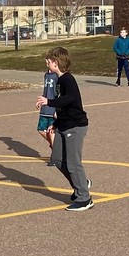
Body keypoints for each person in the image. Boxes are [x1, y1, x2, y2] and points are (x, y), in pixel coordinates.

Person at [35, 46, 93, 212]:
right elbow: (64, 107)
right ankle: (80, 184)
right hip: (63, 124)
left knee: (74, 163)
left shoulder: (68, 79)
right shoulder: (59, 80)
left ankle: (84, 198)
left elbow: (70, 99)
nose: (47, 62)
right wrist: (56, 123)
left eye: (49, 60)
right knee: (58, 159)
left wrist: (49, 102)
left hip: (75, 126)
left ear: (56, 62)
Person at [37, 64, 58, 166]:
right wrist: (40, 101)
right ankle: (56, 146)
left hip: (53, 106)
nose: (46, 62)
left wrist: (57, 109)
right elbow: (45, 91)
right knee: (41, 129)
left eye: (48, 60)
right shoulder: (46, 75)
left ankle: (55, 156)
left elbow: (58, 93)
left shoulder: (57, 76)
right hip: (45, 107)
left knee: (51, 131)